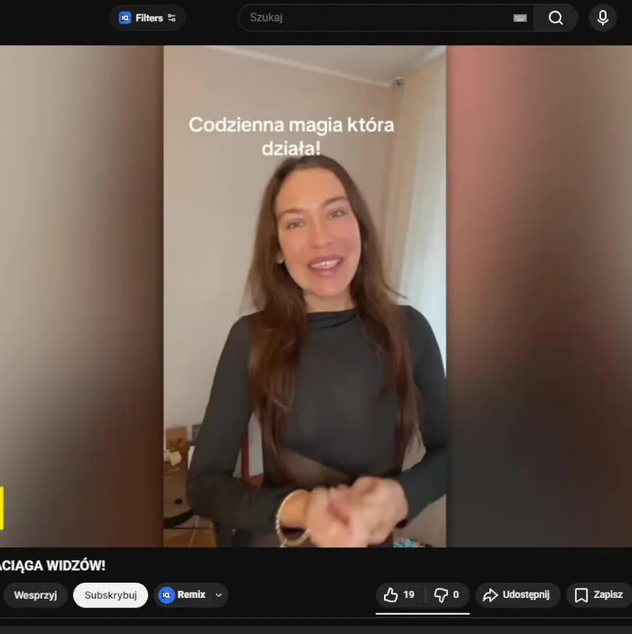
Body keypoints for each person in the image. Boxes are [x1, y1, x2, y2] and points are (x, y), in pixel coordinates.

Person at [189, 155, 448, 547]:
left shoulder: (410, 330)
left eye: (336, 213)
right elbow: (204, 484)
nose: (321, 238)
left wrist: (402, 495)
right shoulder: (251, 337)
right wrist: (303, 508)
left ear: (360, 228)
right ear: (277, 249)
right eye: (296, 222)